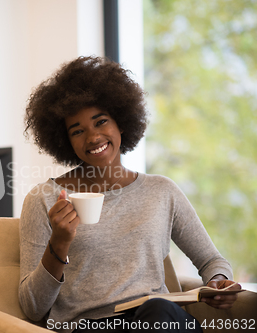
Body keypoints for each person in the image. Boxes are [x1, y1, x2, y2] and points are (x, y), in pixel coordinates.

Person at [19, 56, 240, 333]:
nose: (93, 137)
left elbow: (211, 261)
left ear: (121, 122)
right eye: (78, 131)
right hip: (91, 328)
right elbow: (32, 306)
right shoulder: (44, 199)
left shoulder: (161, 191)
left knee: (159, 310)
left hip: (159, 320)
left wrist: (218, 281)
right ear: (65, 142)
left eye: (101, 122)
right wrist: (59, 244)